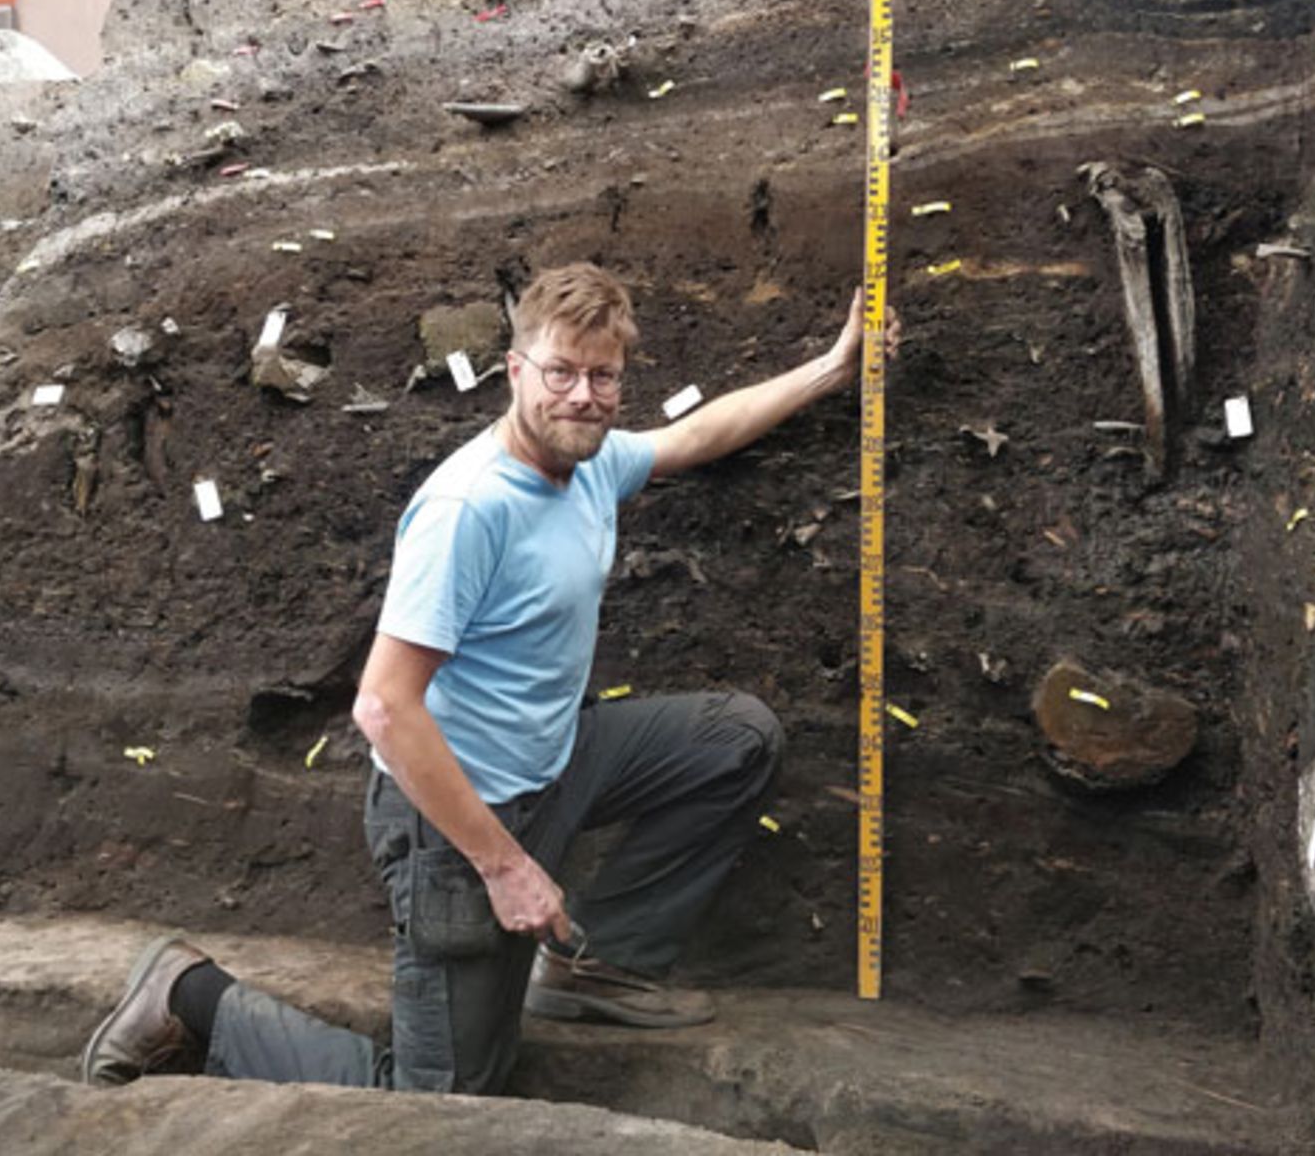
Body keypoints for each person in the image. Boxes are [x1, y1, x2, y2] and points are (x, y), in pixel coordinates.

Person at [81, 263, 898, 1094]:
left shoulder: (590, 464)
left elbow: (690, 438)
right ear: (516, 372)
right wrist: (506, 866)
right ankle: (189, 998)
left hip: (552, 766)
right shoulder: (469, 510)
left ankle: (594, 966)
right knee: (443, 1100)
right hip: (452, 824)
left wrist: (834, 366)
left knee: (736, 739)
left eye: (603, 376)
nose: (583, 395)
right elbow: (384, 706)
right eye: (562, 373)